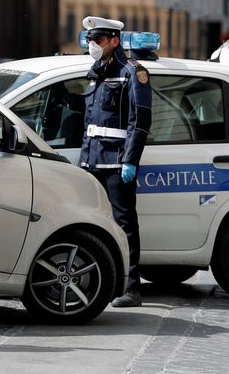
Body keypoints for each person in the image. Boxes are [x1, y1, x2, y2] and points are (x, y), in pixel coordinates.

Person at [77, 16, 152, 308]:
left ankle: (132, 288)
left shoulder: (133, 72)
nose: (93, 46)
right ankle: (101, 282)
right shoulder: (96, 72)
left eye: (98, 40)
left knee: (124, 225)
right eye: (90, 41)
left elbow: (140, 121)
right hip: (93, 162)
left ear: (114, 41)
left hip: (118, 163)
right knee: (93, 225)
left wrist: (130, 160)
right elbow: (90, 121)